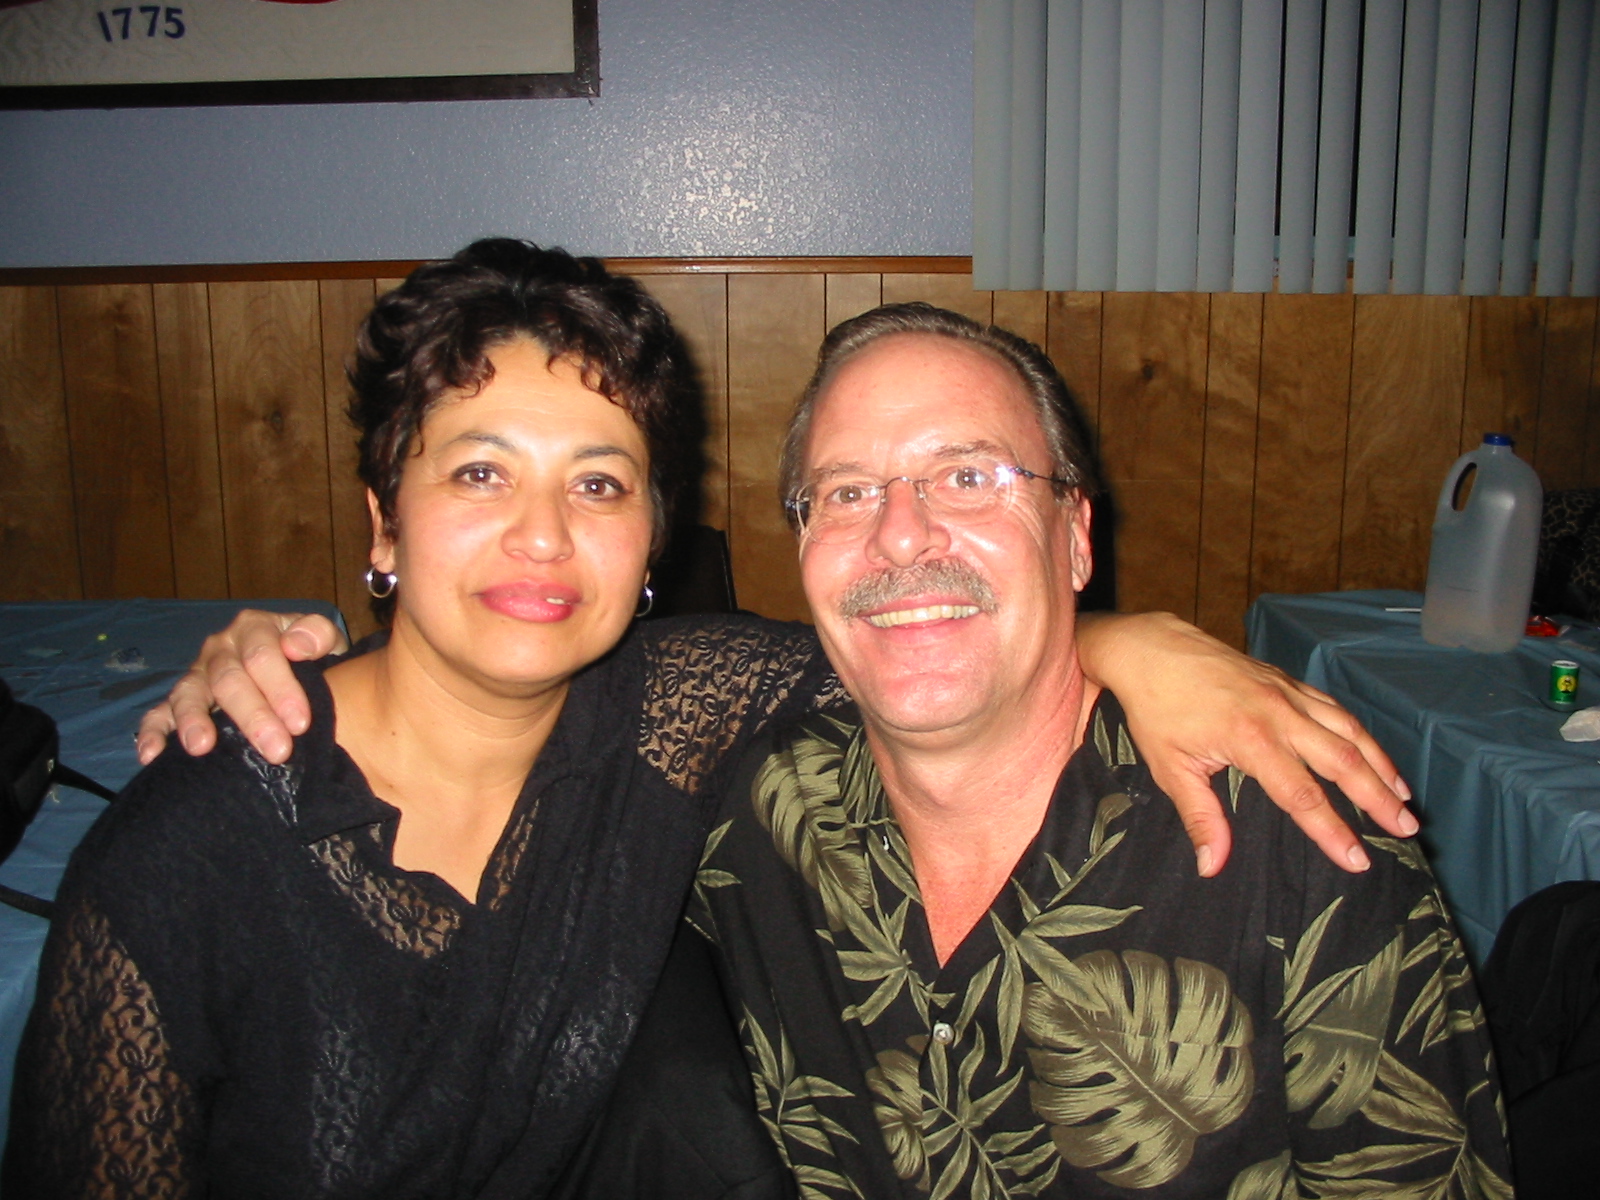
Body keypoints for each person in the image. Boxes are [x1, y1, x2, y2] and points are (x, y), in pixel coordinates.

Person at [81, 245, 1412, 1197]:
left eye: (598, 483)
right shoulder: (189, 853)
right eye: (480, 472)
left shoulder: (671, 719)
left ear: (653, 539)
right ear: (384, 521)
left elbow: (927, 644)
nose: (542, 534)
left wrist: (1128, 636)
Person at [686, 303, 1513, 1197]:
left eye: (967, 477)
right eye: (846, 492)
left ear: (1075, 537)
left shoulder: (1297, 839)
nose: (899, 534)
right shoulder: (755, 812)